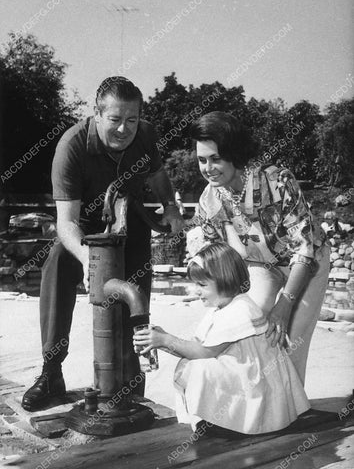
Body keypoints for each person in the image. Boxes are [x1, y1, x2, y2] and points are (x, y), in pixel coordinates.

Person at [21, 76, 185, 411]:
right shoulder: (72, 146)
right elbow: (65, 222)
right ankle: (51, 373)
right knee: (56, 267)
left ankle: (128, 370)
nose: (125, 129)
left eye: (132, 120)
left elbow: (156, 175)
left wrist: (170, 208)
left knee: (135, 288)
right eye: (115, 120)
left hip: (129, 221)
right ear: (97, 115)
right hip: (83, 227)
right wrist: (88, 261)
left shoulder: (147, 135)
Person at [186, 111, 330, 384]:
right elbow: (217, 255)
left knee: (288, 338)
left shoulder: (277, 181)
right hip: (261, 266)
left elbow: (305, 249)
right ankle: (255, 405)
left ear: (234, 154)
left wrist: (285, 305)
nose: (208, 168)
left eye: (216, 158)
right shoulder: (209, 198)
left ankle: (292, 411)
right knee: (244, 326)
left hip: (306, 265)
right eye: (202, 160)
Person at [133, 243, 310, 434]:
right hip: (242, 372)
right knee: (190, 364)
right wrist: (159, 340)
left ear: (225, 280)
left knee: (199, 369)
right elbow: (198, 345)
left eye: (202, 285)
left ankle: (233, 421)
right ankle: (219, 419)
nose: (196, 291)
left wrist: (165, 340)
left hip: (255, 382)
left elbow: (204, 352)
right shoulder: (223, 306)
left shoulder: (240, 309)